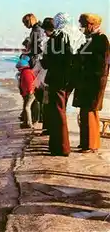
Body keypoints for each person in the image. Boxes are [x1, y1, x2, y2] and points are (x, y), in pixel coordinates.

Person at [40, 13, 83, 156]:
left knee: (58, 112)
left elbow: (51, 61)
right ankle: (58, 146)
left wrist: (44, 58)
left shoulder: (59, 38)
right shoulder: (76, 36)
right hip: (68, 79)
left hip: (58, 80)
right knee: (59, 111)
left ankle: (61, 147)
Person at [73, 13, 109, 153]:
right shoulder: (91, 39)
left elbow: (101, 63)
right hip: (86, 80)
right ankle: (85, 143)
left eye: (83, 24)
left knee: (90, 112)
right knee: (84, 111)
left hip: (93, 81)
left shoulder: (101, 39)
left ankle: (92, 144)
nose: (81, 27)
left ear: (91, 24)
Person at [16, 57, 38, 129]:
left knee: (27, 107)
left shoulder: (26, 72)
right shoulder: (27, 71)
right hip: (27, 92)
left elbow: (29, 83)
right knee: (26, 107)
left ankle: (29, 123)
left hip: (29, 93)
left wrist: (30, 91)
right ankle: (26, 122)